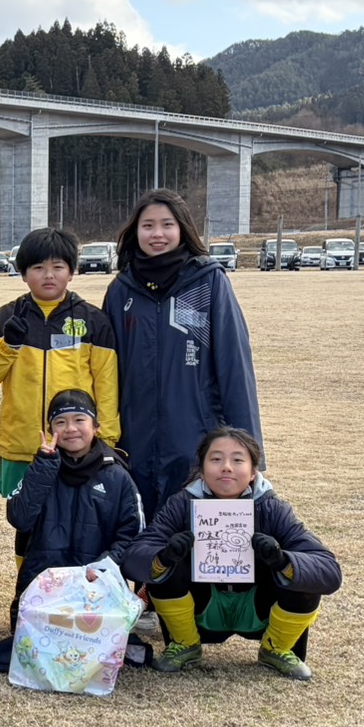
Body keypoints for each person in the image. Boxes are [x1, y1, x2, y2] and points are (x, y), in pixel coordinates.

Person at [122, 426, 340, 681]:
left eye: (238, 460)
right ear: (202, 470)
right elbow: (135, 556)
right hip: (202, 609)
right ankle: (185, 644)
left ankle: (277, 648)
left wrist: (283, 562)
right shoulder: (181, 505)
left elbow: (329, 570)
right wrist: (165, 557)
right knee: (166, 564)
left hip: (259, 609)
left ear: (253, 472)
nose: (226, 467)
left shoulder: (272, 509)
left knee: (304, 574)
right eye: (216, 459)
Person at [102, 189, 261, 521]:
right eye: (148, 226)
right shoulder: (121, 291)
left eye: (166, 224)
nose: (157, 234)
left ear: (182, 229)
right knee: (139, 542)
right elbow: (106, 372)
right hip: (135, 442)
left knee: (194, 543)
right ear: (135, 232)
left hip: (196, 441)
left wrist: (249, 452)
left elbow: (235, 369)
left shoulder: (208, 283)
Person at [0, 390, 143, 673]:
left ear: (96, 427)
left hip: (95, 589)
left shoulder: (117, 476)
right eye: (60, 422)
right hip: (45, 589)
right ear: (50, 430)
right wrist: (44, 469)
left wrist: (105, 567)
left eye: (79, 419)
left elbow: (132, 532)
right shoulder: (40, 469)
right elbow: (20, 518)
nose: (70, 429)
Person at [0, 227, 119, 498]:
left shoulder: (93, 321)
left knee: (77, 519)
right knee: (25, 525)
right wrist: (10, 345)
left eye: (58, 266)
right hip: (21, 445)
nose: (49, 275)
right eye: (38, 267)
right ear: (24, 273)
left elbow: (107, 384)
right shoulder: (6, 317)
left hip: (77, 444)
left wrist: (106, 439)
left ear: (72, 272)